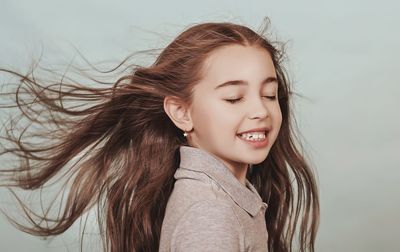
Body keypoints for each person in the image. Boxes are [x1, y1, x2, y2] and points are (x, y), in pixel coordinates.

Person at [0, 19, 320, 252]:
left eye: (269, 94)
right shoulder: (209, 215)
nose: (261, 111)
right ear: (182, 112)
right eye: (234, 98)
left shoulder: (226, 197)